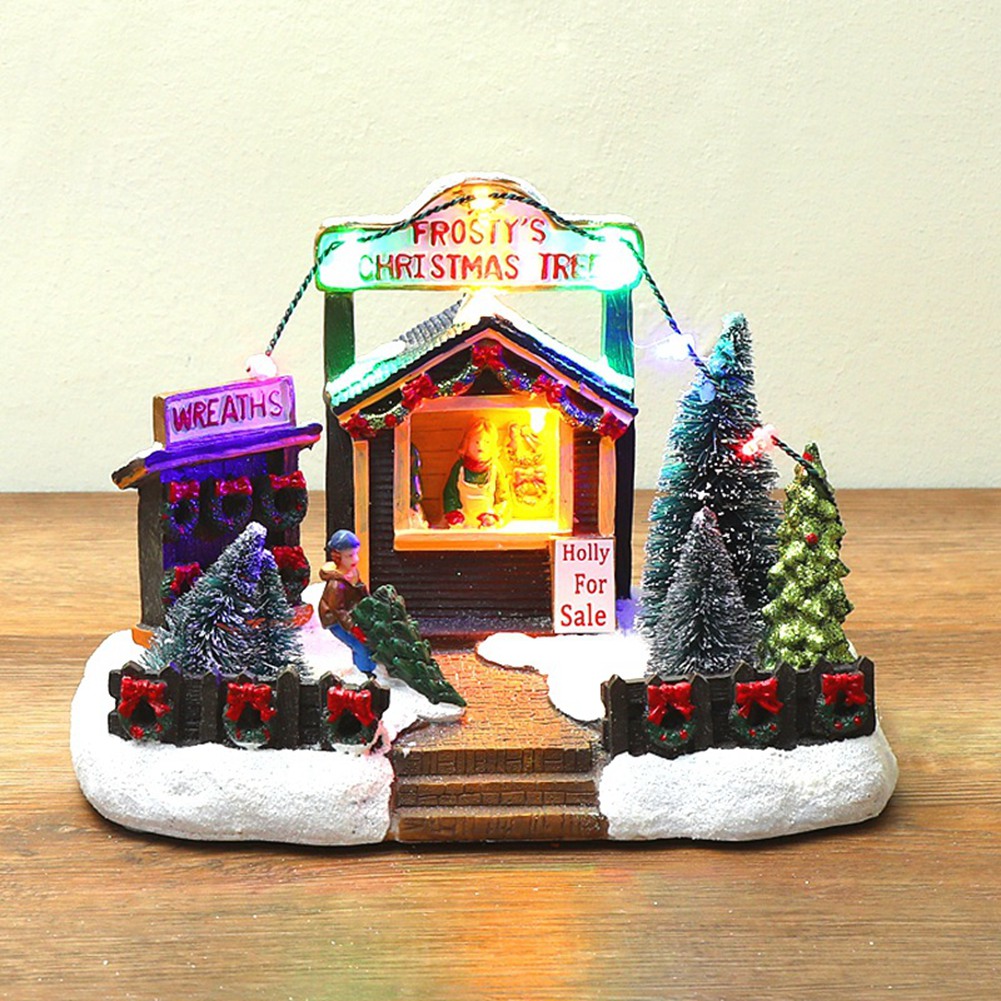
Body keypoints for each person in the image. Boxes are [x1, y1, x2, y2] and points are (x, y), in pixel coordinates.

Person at [318, 530, 377, 674]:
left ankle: (371, 667)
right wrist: (353, 628)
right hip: (336, 620)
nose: (355, 559)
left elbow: (360, 592)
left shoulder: (352, 573)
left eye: (356, 554)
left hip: (351, 613)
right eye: (349, 556)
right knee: (360, 644)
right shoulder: (336, 585)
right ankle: (364, 672)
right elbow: (338, 610)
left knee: (368, 641)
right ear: (338, 557)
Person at [442, 416, 509, 528]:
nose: (481, 446)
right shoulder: (460, 468)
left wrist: (496, 515)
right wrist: (453, 512)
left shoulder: (495, 468)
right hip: (463, 522)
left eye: (487, 442)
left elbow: (504, 498)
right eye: (476, 442)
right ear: (467, 443)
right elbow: (450, 494)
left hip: (487, 523)